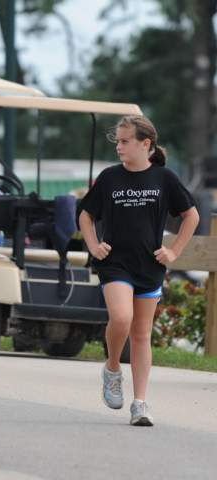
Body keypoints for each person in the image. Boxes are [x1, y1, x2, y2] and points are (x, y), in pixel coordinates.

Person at [79, 115, 199, 426]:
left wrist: (174, 250)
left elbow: (191, 216)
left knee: (142, 334)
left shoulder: (164, 178)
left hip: (150, 264)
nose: (118, 146)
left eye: (124, 141)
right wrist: (94, 245)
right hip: (115, 262)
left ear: (145, 144)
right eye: (117, 141)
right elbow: (86, 216)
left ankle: (140, 404)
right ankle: (113, 368)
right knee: (121, 317)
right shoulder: (109, 178)